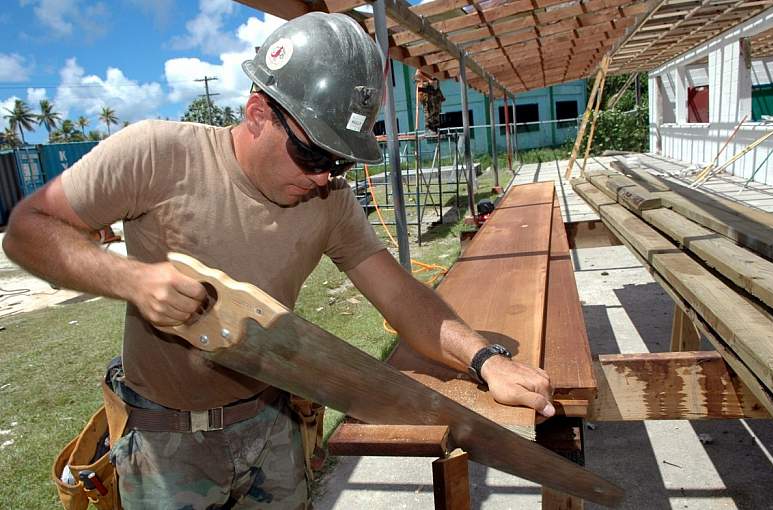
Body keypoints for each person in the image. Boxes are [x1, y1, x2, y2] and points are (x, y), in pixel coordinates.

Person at [3, 12, 553, 510]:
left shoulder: (330, 202)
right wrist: (132, 279)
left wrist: (486, 361)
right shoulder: (156, 154)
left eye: (337, 163)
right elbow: (27, 230)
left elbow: (401, 296)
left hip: (272, 424)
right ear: (258, 112)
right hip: (166, 442)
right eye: (314, 154)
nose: (323, 178)